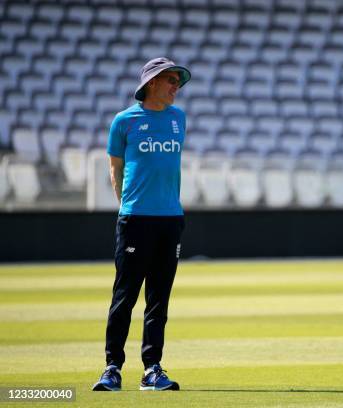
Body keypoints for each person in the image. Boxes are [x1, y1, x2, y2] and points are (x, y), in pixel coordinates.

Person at [92, 57, 191, 392]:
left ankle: (152, 369)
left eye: (178, 81)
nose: (177, 87)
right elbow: (115, 170)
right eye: (171, 81)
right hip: (136, 219)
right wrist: (127, 207)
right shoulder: (124, 121)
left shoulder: (179, 118)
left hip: (171, 219)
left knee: (159, 300)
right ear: (152, 83)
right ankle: (111, 368)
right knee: (125, 297)